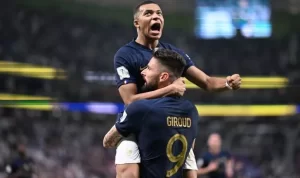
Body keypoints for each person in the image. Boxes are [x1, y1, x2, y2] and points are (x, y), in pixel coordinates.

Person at [112, 1, 241, 178]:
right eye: (148, 14)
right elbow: (130, 100)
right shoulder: (125, 55)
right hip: (138, 124)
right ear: (137, 23)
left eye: (159, 13)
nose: (155, 16)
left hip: (171, 124)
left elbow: (207, 82)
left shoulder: (172, 54)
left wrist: (226, 83)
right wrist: (170, 88)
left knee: (190, 170)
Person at [104, 48, 199, 178]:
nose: (143, 72)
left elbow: (107, 141)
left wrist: (125, 119)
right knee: (189, 155)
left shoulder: (140, 109)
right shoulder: (192, 110)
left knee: (126, 139)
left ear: (163, 77)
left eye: (148, 68)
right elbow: (191, 147)